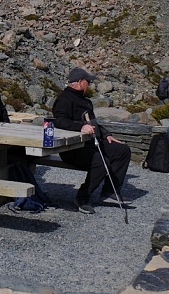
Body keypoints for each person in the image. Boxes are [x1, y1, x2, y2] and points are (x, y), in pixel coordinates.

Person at [50, 68, 132, 214]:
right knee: (101, 161)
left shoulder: (85, 101)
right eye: (88, 82)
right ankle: (82, 197)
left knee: (122, 151)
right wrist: (80, 127)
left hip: (91, 143)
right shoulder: (64, 99)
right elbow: (59, 121)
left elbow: (93, 123)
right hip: (72, 148)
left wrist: (106, 134)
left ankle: (109, 191)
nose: (90, 85)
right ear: (80, 82)